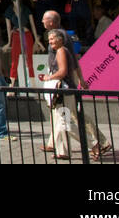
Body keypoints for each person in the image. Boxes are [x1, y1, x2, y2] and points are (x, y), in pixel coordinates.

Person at [39, 27, 111, 160]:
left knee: (65, 123)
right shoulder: (61, 51)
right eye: (49, 39)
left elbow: (63, 72)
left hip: (64, 93)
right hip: (64, 92)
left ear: (60, 39)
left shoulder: (61, 51)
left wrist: (47, 78)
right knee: (63, 123)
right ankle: (64, 151)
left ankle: (95, 144)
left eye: (53, 39)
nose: (50, 42)